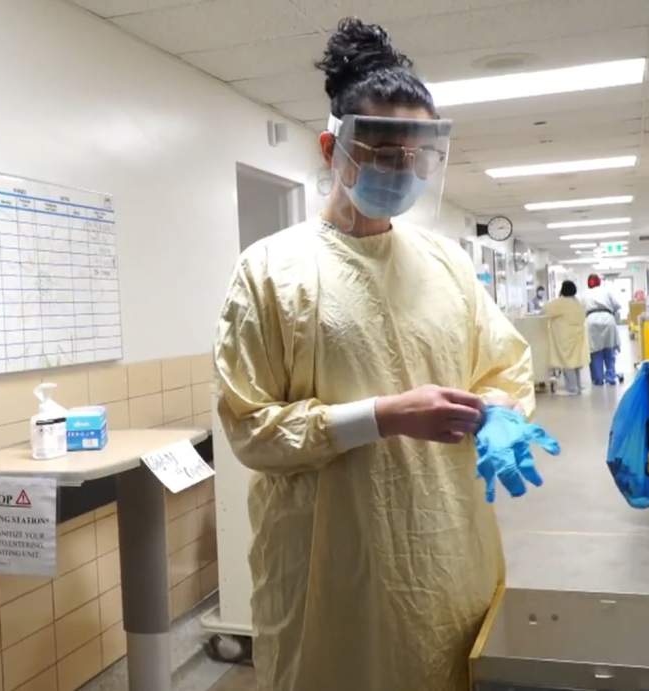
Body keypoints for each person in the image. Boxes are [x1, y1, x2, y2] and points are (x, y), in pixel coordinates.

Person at [213, 18, 534, 691]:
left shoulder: (446, 263)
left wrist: (503, 409)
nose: (399, 169)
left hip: (448, 557)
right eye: (382, 151)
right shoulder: (272, 270)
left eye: (413, 156)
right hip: (330, 575)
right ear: (335, 147)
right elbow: (251, 429)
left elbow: (503, 365)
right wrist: (383, 416)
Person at [544, 281, 589, 395]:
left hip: (564, 338)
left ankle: (572, 388)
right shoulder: (578, 302)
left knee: (567, 363)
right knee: (576, 364)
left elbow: (545, 311)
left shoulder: (560, 303)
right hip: (578, 336)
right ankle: (577, 386)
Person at [581, 273, 623, 386]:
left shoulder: (584, 293)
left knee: (595, 351)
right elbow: (617, 306)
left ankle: (598, 379)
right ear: (599, 281)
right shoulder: (606, 291)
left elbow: (580, 310)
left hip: (591, 320)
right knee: (609, 350)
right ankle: (610, 377)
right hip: (607, 318)